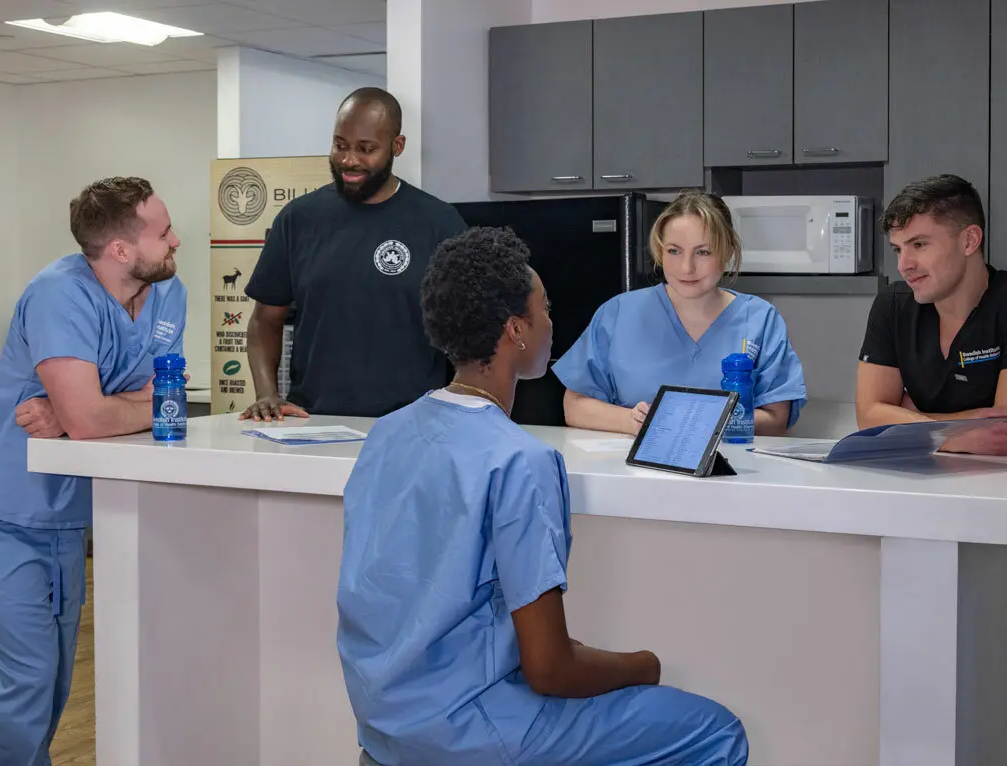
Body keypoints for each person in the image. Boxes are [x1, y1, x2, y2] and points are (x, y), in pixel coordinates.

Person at [336, 226, 749, 766]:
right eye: (545, 309)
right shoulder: (519, 461)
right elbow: (551, 668)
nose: (553, 322)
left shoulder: (387, 434)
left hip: (383, 725)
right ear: (516, 330)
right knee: (716, 733)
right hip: (471, 732)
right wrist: (642, 666)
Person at [0, 176, 187, 765]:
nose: (176, 240)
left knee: (52, 683)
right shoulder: (59, 294)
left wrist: (96, 410)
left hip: (63, 517)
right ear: (121, 250)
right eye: (163, 231)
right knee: (22, 679)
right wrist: (107, 410)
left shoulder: (167, 293)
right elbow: (104, 417)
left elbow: (159, 403)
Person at [855, 174, 1007, 766]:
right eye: (898, 249)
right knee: (950, 692)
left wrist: (915, 422)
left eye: (920, 245)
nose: (905, 263)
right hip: (934, 523)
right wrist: (962, 427)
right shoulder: (894, 306)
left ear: (970, 239)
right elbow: (867, 416)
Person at [240, 86, 468, 422]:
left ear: (397, 146)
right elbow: (264, 321)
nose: (349, 160)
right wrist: (267, 394)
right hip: (314, 421)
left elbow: (472, 330)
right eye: (340, 145)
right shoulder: (299, 219)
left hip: (413, 423)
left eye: (366, 149)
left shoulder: (439, 222)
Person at [552, 190, 807, 436]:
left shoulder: (760, 320)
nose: (686, 268)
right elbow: (575, 406)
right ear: (660, 251)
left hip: (731, 474)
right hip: (632, 472)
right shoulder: (618, 313)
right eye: (674, 251)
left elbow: (776, 419)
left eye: (703, 252)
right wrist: (633, 421)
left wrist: (696, 423)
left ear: (728, 251)